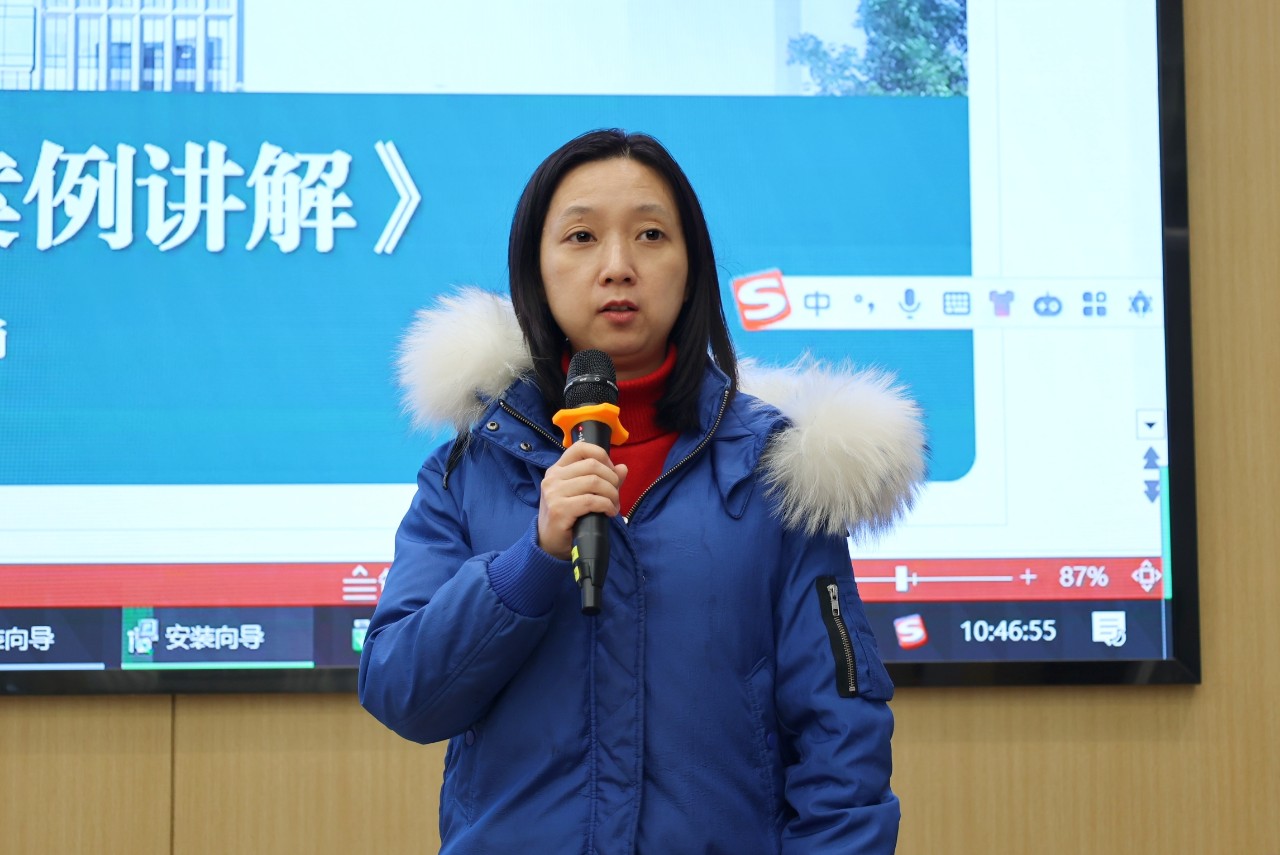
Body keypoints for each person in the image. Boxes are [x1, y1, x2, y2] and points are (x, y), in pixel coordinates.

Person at [359, 129, 925, 854]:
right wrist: (532, 559)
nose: (617, 266)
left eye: (651, 235)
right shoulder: (467, 470)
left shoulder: (778, 474)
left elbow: (841, 741)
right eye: (582, 236)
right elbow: (404, 693)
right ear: (535, 269)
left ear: (692, 268)